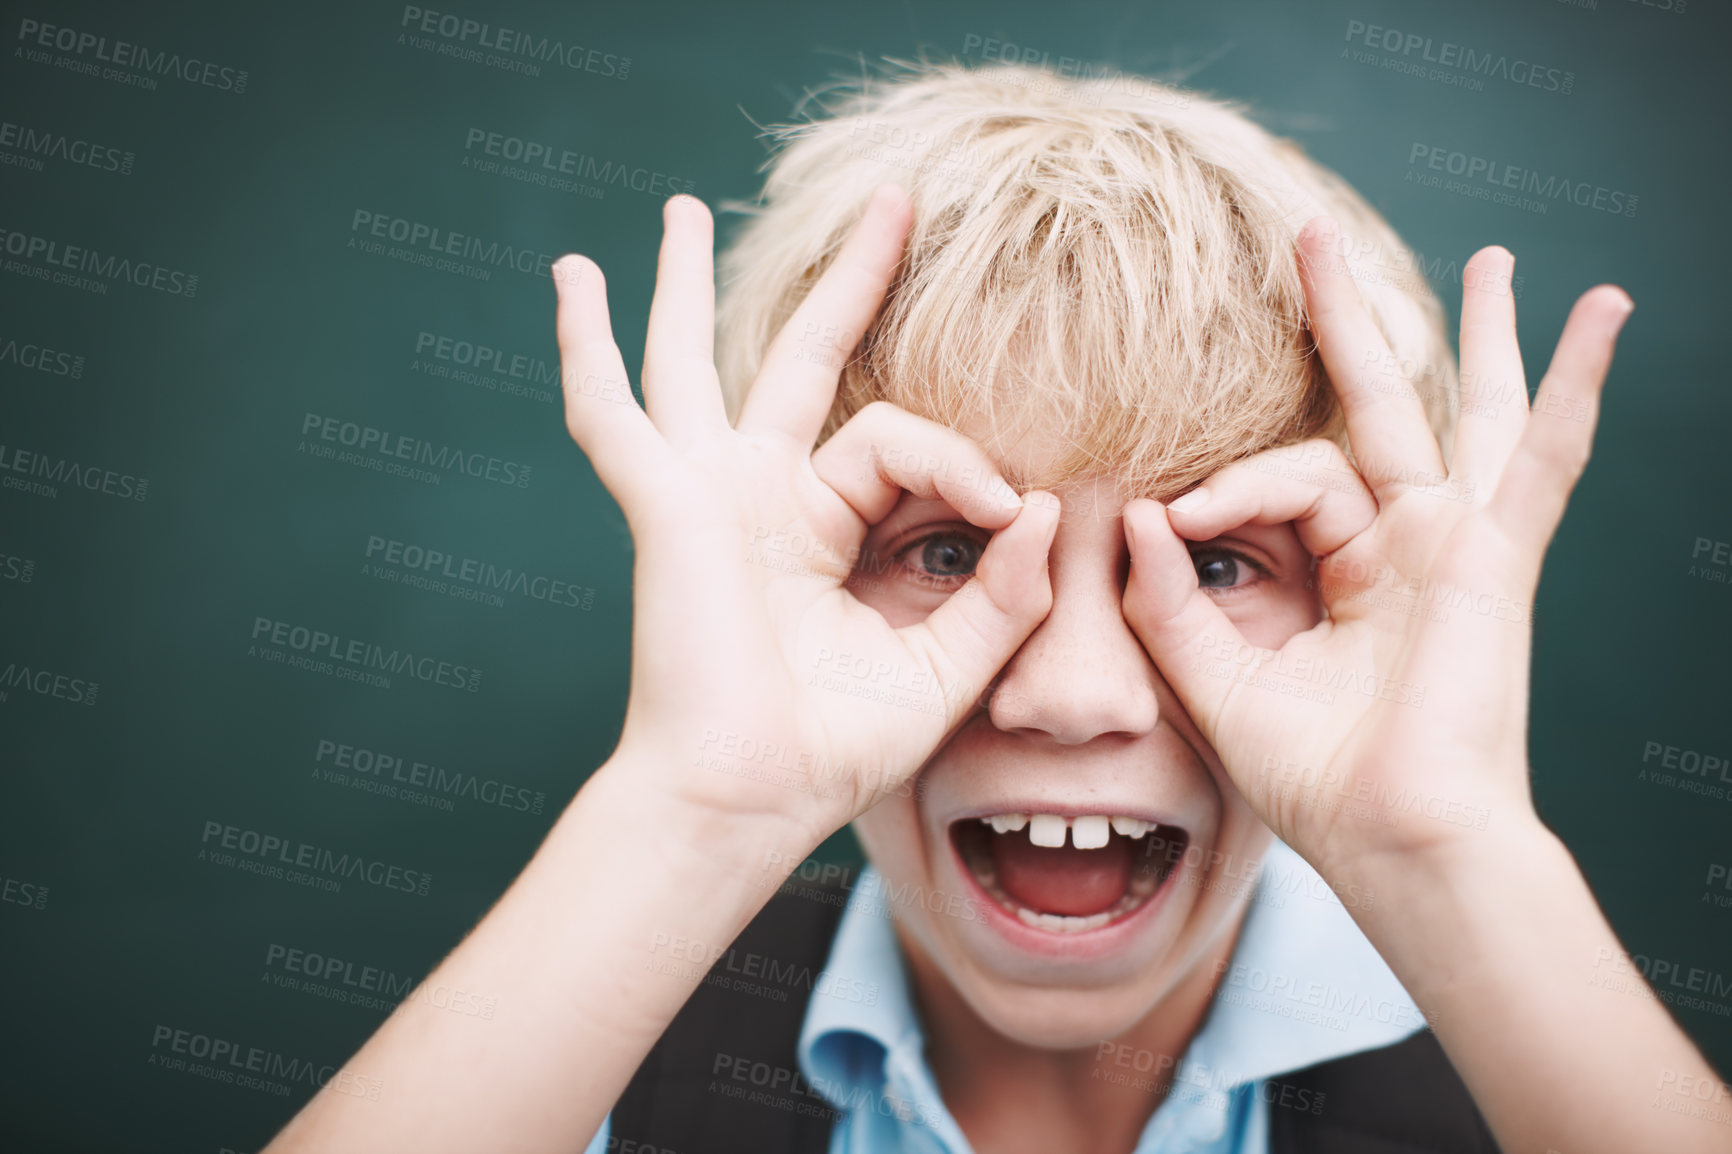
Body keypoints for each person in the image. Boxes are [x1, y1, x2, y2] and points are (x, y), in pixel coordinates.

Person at [261, 62, 1731, 1154]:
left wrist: (1453, 852)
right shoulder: (598, 1074)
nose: (1073, 692)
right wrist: (691, 811)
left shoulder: (1524, 1082)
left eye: (1218, 563)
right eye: (950, 552)